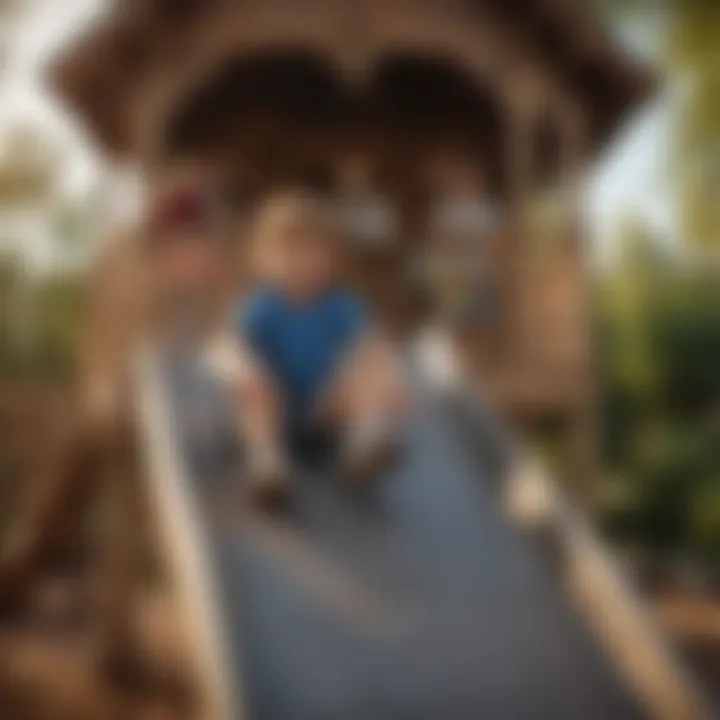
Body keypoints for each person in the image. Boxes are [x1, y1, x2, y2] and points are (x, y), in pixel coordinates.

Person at [209, 190, 406, 506]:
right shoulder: (262, 307)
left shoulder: (340, 306)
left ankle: (365, 442)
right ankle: (267, 463)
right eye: (290, 253)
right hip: (278, 417)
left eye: (313, 253)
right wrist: (245, 367)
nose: (302, 263)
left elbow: (368, 345)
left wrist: (352, 380)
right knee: (249, 379)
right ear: (263, 259)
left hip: (326, 415)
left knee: (375, 359)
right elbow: (229, 346)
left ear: (331, 259)